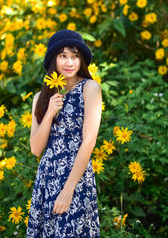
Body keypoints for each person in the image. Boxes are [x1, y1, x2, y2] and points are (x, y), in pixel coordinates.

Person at [26, 29, 102, 237]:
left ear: (82, 60)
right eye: (63, 56)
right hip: (47, 179)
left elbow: (89, 141)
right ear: (53, 60)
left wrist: (68, 189)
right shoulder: (40, 98)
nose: (70, 62)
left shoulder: (90, 88)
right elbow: (36, 149)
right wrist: (50, 112)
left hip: (75, 178)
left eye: (75, 56)